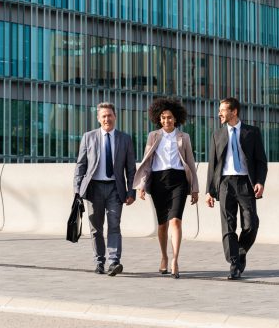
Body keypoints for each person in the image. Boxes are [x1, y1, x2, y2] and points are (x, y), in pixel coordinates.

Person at [134, 98, 199, 279]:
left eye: (169, 117)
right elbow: (147, 162)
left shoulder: (183, 137)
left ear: (176, 119)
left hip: (178, 180)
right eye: (163, 118)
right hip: (158, 181)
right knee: (162, 224)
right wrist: (141, 186)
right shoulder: (153, 136)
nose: (166, 121)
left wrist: (194, 188)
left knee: (176, 221)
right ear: (158, 119)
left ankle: (175, 260)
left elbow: (191, 163)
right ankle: (164, 256)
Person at [205, 97, 268, 280]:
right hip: (224, 183)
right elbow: (212, 164)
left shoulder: (252, 132)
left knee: (251, 224)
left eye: (222, 110)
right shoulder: (217, 134)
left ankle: (240, 251)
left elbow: (261, 161)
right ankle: (234, 264)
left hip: (245, 183)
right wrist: (210, 190)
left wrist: (260, 181)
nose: (219, 114)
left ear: (234, 112)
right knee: (228, 226)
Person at [74, 102, 136, 276]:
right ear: (98, 119)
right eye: (103, 116)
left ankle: (114, 262)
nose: (107, 119)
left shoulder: (125, 139)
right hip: (94, 188)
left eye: (109, 115)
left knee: (114, 225)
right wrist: (77, 190)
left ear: (115, 116)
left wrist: (132, 191)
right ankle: (99, 261)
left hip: (115, 189)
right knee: (96, 228)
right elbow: (81, 165)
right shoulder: (88, 137)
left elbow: (131, 169)